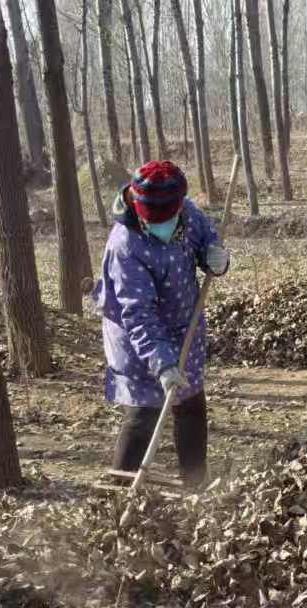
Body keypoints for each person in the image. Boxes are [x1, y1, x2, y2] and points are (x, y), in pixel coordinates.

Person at [97, 160, 230, 488]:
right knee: (144, 414)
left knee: (191, 405)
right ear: (138, 209)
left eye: (170, 218)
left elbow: (206, 237)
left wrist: (216, 257)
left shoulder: (186, 211)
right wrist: (162, 364)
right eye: (155, 221)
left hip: (185, 325)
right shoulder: (125, 246)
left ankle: (195, 482)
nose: (165, 226)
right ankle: (121, 490)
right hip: (138, 340)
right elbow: (138, 314)